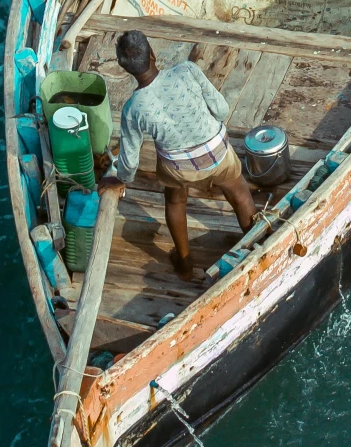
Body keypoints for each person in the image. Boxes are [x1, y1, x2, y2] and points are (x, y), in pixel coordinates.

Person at [102, 29, 256, 282]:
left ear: (123, 67)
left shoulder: (133, 108)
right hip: (217, 153)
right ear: (152, 54)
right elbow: (221, 109)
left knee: (174, 200)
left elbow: (129, 163)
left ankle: (184, 264)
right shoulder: (187, 71)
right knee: (240, 193)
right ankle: (255, 244)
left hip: (179, 168)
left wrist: (119, 180)